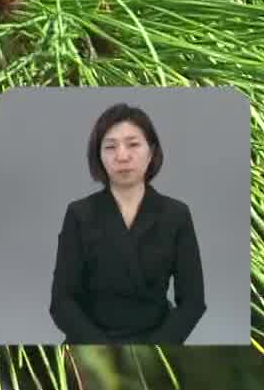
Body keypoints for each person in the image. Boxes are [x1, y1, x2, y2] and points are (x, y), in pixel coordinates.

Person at [49, 103, 206, 344]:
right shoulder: (80, 214)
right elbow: (61, 302)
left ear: (151, 151)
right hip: (89, 343)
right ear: (99, 156)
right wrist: (102, 347)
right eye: (110, 147)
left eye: (133, 144)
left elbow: (193, 302)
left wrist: (157, 348)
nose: (122, 156)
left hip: (158, 344)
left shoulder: (176, 215)